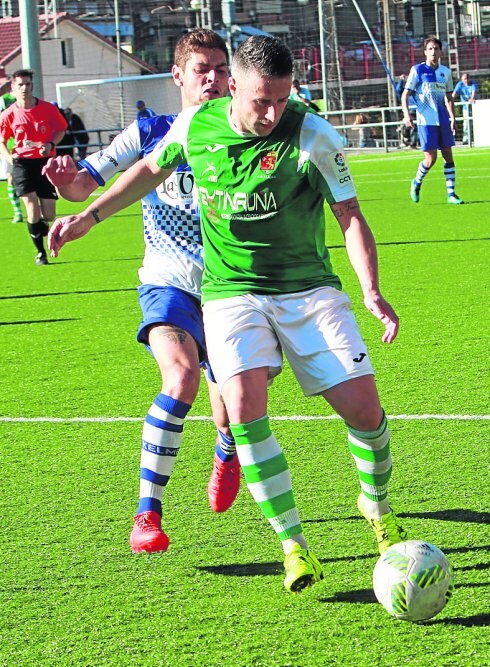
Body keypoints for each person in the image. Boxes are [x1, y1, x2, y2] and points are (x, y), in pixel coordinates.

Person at [47, 36, 407, 593]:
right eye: (262, 101)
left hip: (307, 290)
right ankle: (294, 544)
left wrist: (371, 289)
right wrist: (88, 218)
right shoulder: (197, 128)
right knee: (240, 407)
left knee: (365, 412)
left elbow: (350, 215)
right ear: (234, 87)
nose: (272, 113)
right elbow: (148, 170)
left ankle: (377, 507)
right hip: (230, 292)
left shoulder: (312, 134)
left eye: (282, 100)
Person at [43, 29, 239, 553]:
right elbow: (88, 181)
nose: (215, 79)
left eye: (222, 69)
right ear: (178, 76)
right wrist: (68, 187)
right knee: (179, 380)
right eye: (203, 69)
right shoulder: (149, 132)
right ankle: (147, 513)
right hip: (167, 280)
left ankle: (226, 445)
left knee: (230, 412)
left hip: (229, 288)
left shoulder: (243, 131)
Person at [0, 69, 67, 264]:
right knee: (31, 208)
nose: (24, 88)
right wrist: (10, 159)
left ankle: (40, 229)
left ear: (32, 86)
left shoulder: (47, 109)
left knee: (49, 214)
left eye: (27, 84)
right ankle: (40, 253)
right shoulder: (8, 114)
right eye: (20, 85)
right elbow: (2, 141)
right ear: (13, 87)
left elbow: (61, 129)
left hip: (45, 163)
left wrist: (51, 144)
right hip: (22, 163)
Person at [402, 36, 463, 205]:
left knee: (448, 156)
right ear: (425, 52)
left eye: (436, 49)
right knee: (430, 159)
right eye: (430, 49)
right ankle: (416, 182)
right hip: (425, 120)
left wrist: (452, 118)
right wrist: (407, 115)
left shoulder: (445, 72)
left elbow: (449, 97)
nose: (433, 52)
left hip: (442, 119)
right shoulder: (418, 70)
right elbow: (405, 94)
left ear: (441, 51)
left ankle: (451, 194)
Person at [0, 84, 23, 223]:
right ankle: (18, 212)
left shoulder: (29, 100)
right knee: (10, 177)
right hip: (8, 145)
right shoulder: (3, 100)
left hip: (26, 144)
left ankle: (37, 209)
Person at [453, 72, 478, 145]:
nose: (466, 81)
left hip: (475, 106)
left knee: (476, 122)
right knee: (466, 124)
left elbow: (473, 93)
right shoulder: (459, 84)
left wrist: (472, 99)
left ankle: (476, 138)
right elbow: (453, 94)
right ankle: (466, 139)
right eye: (464, 79)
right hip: (465, 107)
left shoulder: (473, 83)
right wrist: (450, 101)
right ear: (461, 79)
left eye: (467, 79)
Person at [395, 74, 417, 149]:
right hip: (409, 111)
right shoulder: (404, 91)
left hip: (416, 110)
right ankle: (406, 142)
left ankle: (412, 143)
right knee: (407, 126)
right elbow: (398, 89)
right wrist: (401, 80)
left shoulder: (415, 91)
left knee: (414, 127)